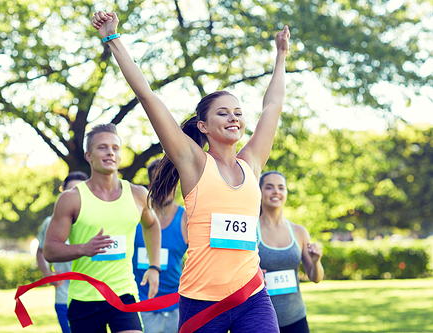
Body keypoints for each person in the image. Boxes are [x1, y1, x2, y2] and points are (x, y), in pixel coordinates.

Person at [91, 11, 289, 332]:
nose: (233, 118)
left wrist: (280, 56)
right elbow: (147, 95)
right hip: (201, 300)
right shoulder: (193, 162)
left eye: (238, 113)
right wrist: (113, 38)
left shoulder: (251, 163)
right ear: (203, 126)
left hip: (250, 295)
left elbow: (273, 106)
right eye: (223, 113)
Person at [43, 123, 161, 333]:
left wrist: (154, 266)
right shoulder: (71, 199)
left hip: (123, 293)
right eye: (103, 147)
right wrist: (83, 249)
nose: (110, 153)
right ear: (88, 155)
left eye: (115, 148)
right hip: (84, 297)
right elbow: (50, 250)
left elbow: (152, 225)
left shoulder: (138, 195)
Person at [257, 171, 324, 333]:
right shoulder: (250, 229)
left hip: (296, 318)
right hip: (261, 319)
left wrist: (316, 261)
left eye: (281, 187)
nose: (276, 192)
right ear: (259, 192)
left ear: (286, 192)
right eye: (269, 187)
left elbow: (316, 278)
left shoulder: (299, 231)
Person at [132, 159, 188, 333]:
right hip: (139, 303)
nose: (165, 187)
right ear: (150, 185)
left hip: (175, 303)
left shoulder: (187, 218)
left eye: (170, 181)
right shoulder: (135, 215)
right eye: (159, 181)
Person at [36, 171, 89, 333]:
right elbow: (40, 251)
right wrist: (47, 274)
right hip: (64, 297)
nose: (75, 195)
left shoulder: (94, 223)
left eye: (80, 190)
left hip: (93, 297)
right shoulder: (50, 223)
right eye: (70, 191)